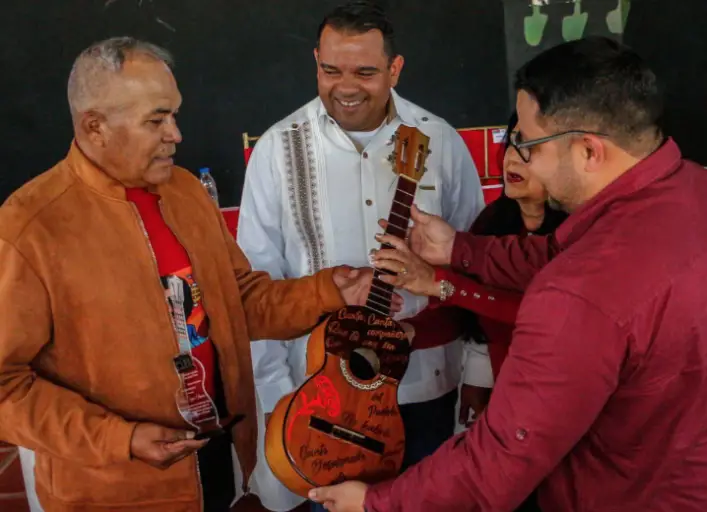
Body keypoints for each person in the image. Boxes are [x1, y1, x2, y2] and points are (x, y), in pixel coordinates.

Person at [309, 36, 707, 511]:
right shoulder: (704, 196)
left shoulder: (577, 297)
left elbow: (497, 465)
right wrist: (460, 249)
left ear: (589, 151)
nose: (520, 154)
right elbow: (558, 254)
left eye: (530, 142)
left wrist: (377, 504)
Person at [0, 37, 395, 512]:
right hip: (111, 490)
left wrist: (328, 291)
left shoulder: (185, 192)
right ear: (95, 127)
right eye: (156, 120)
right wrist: (118, 439)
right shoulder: (28, 227)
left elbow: (238, 303)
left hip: (217, 463)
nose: (176, 134)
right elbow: (6, 385)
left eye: (174, 115)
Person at [235, 2, 484, 510]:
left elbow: (475, 259)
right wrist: (281, 399)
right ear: (315, 62)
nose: (345, 87)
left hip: (424, 389)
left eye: (365, 72)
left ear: (395, 69)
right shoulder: (277, 150)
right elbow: (257, 290)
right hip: (315, 401)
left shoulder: (440, 141)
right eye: (331, 70)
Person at [399, 111, 566, 427]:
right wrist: (406, 333)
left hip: (561, 411)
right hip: (505, 411)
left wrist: (441, 283)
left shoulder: (579, 233)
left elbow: (536, 315)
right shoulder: (491, 222)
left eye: (531, 146)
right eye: (513, 142)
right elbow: (458, 314)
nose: (513, 159)